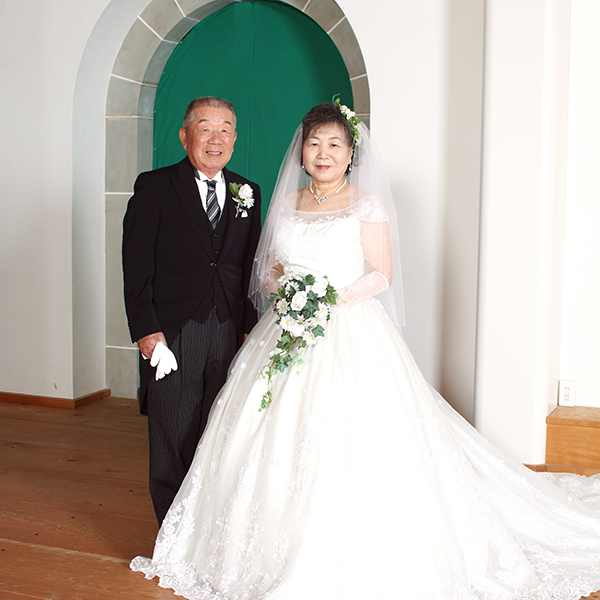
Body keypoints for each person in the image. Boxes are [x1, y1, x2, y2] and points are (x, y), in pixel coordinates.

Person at [130, 102, 600, 599]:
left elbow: (381, 274)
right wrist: (286, 290)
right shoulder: (284, 202)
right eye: (314, 144)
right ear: (301, 152)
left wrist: (326, 300)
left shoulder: (366, 205)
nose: (323, 153)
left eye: (335, 144)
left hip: (349, 331)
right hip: (286, 330)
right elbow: (268, 267)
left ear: (351, 153)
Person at [122, 96, 262, 525]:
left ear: (235, 139)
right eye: (205, 128)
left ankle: (204, 533)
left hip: (228, 331)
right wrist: (146, 329)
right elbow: (136, 266)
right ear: (185, 136)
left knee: (218, 433)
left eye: (225, 129)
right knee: (173, 434)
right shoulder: (155, 187)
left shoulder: (247, 192)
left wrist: (248, 329)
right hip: (174, 332)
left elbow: (249, 267)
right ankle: (171, 535)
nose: (215, 138)